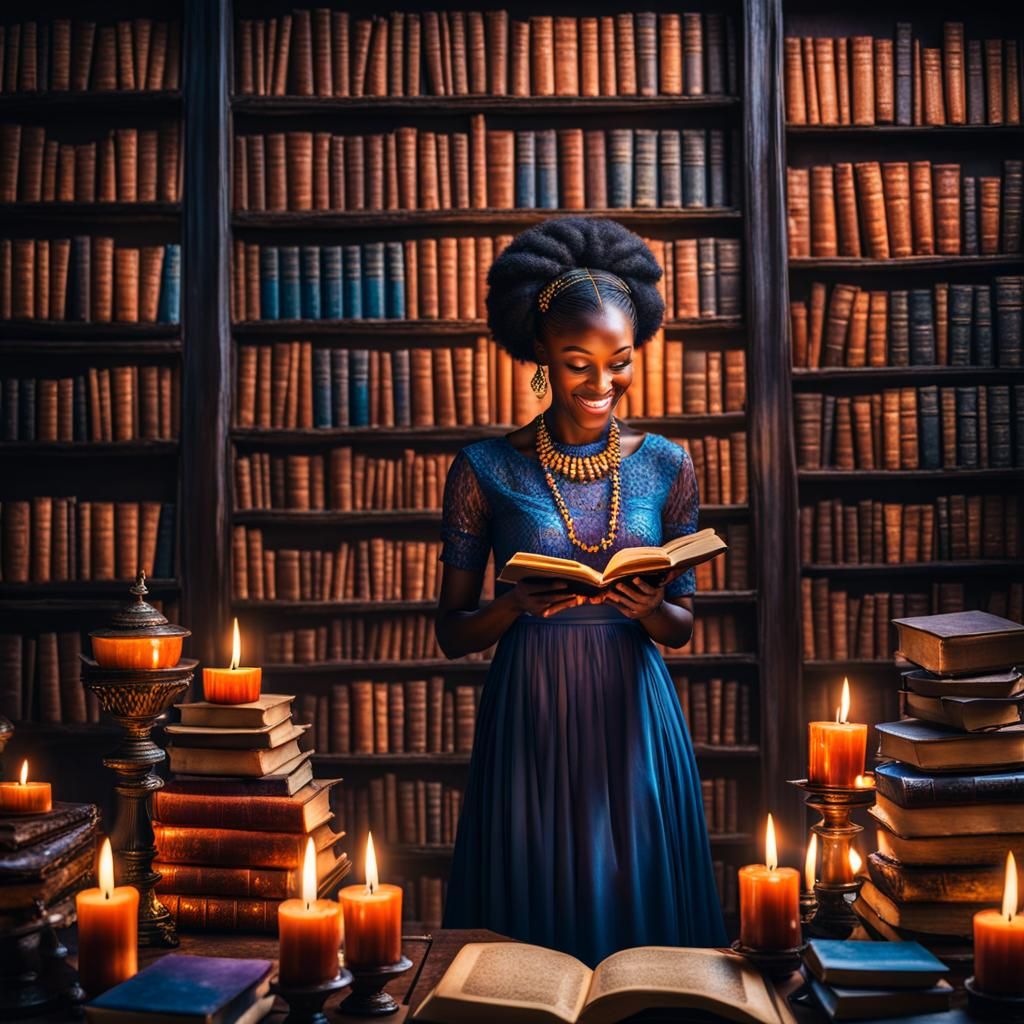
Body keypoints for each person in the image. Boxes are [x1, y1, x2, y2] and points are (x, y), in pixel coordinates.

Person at [435, 217, 728, 967]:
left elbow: (682, 626)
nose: (601, 384)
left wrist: (649, 607)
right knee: (532, 902)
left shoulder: (668, 465)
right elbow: (452, 631)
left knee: (636, 906)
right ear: (539, 354)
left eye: (620, 362)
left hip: (634, 714)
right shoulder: (483, 469)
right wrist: (511, 608)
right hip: (530, 711)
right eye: (577, 363)